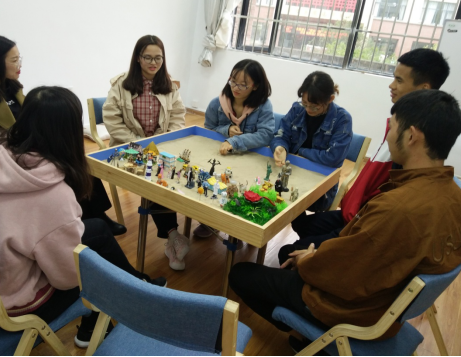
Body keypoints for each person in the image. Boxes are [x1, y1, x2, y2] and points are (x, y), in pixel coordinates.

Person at [230, 90, 461, 350]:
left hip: (352, 310)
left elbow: (341, 274)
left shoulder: (396, 208)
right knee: (292, 253)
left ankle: (313, 339)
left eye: (392, 128)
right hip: (387, 304)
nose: (388, 136)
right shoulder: (460, 199)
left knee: (241, 274)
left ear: (411, 136)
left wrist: (309, 260)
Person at [0, 87, 166, 349]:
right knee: (94, 270)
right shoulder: (52, 197)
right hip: (11, 306)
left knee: (97, 229)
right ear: (70, 132)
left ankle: (135, 284)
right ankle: (114, 311)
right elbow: (67, 279)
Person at [279, 49, 451, 260]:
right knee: (300, 223)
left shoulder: (409, 151)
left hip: (364, 221)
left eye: (398, 80)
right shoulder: (405, 130)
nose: (391, 85)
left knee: (289, 252)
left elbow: (377, 228)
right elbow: (281, 134)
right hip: (359, 211)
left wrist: (315, 256)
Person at [0, 35, 125, 235]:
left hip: (33, 147)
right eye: (14, 60)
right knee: (67, 166)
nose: (19, 65)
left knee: (79, 160)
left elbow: (32, 117)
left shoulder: (13, 86)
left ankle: (96, 214)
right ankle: (76, 220)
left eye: (19, 58)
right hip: (8, 158)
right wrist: (20, 135)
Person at [103, 35, 188, 271]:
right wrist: (139, 144)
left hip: (160, 148)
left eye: (158, 58)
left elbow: (178, 117)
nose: (153, 63)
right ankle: (173, 236)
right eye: (148, 57)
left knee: (169, 174)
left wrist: (160, 143)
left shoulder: (169, 85)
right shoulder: (121, 84)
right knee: (155, 177)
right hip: (129, 149)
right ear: (138, 58)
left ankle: (173, 238)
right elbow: (112, 120)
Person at [198, 59, 274, 237]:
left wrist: (235, 141)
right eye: (233, 81)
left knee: (243, 191)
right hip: (221, 156)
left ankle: (238, 230)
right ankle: (209, 221)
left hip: (250, 159)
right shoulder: (217, 103)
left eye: (243, 85)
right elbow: (208, 129)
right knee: (213, 183)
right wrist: (226, 130)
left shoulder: (263, 106)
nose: (236, 88)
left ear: (255, 86)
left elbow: (266, 134)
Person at [271, 71, 353, 212]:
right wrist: (281, 147)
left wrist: (300, 151)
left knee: (291, 206)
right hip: (292, 171)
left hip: (320, 183)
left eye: (314, 106)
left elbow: (333, 157)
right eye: (305, 103)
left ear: (330, 99)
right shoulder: (297, 109)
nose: (308, 109)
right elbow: (280, 135)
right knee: (267, 193)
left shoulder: (342, 119)